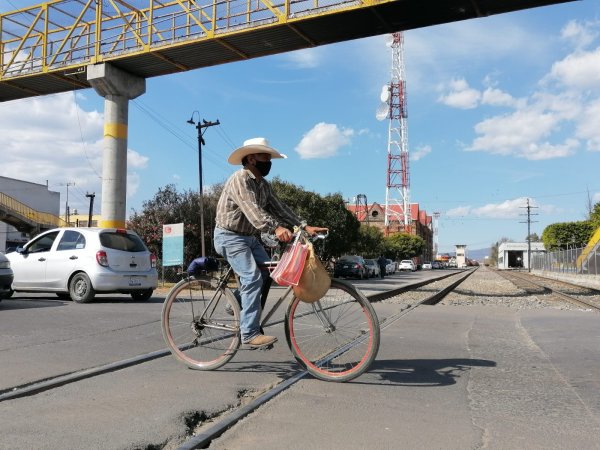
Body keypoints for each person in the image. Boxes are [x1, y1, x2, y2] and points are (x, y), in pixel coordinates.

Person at [213, 137, 328, 348]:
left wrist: (304, 226)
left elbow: (280, 208)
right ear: (251, 159)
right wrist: (276, 228)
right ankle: (249, 333)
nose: (268, 161)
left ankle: (237, 303)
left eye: (269, 157)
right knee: (252, 278)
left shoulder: (264, 185)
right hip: (229, 237)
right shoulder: (240, 178)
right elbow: (253, 212)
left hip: (248, 238)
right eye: (264, 156)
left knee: (268, 273)